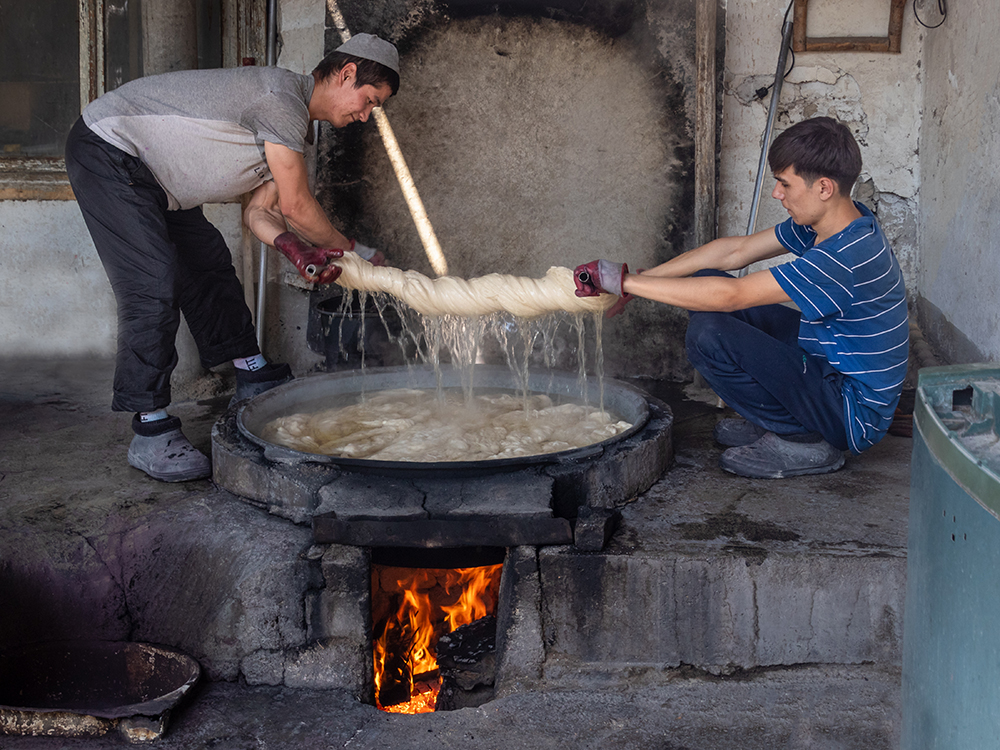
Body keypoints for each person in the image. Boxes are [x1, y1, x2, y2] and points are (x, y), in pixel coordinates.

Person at [65, 33, 400, 483]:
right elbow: (299, 208)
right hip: (108, 150)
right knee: (153, 281)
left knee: (207, 261)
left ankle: (252, 373)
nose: (365, 115)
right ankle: (148, 428)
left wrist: (293, 248)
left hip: (156, 181)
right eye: (369, 100)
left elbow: (261, 213)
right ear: (347, 73)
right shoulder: (280, 97)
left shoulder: (298, 129)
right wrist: (357, 254)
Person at [574, 116, 908, 478]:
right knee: (704, 281)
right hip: (828, 363)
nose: (777, 193)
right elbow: (735, 252)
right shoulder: (843, 220)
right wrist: (641, 280)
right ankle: (780, 416)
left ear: (824, 188)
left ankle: (803, 439)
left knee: (710, 335)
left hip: (849, 412)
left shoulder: (844, 257)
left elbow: (733, 295)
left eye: (784, 183)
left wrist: (621, 283)